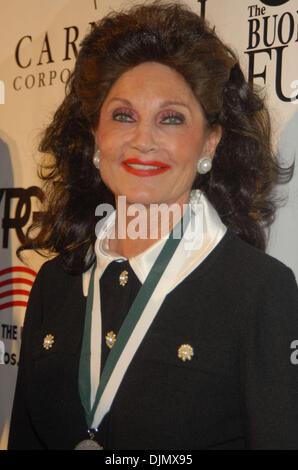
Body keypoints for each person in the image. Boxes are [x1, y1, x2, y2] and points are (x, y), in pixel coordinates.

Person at [8, 1, 298, 450]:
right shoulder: (55, 283)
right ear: (95, 138)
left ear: (210, 141)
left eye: (171, 119)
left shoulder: (260, 291)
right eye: (123, 116)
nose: (143, 140)